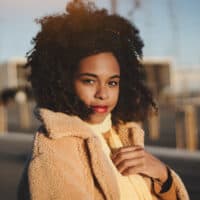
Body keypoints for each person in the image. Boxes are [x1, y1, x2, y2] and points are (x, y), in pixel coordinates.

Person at [18, 0, 189, 199]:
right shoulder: (54, 150)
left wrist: (163, 176)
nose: (103, 93)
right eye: (90, 81)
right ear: (62, 81)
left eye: (112, 83)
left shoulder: (123, 136)